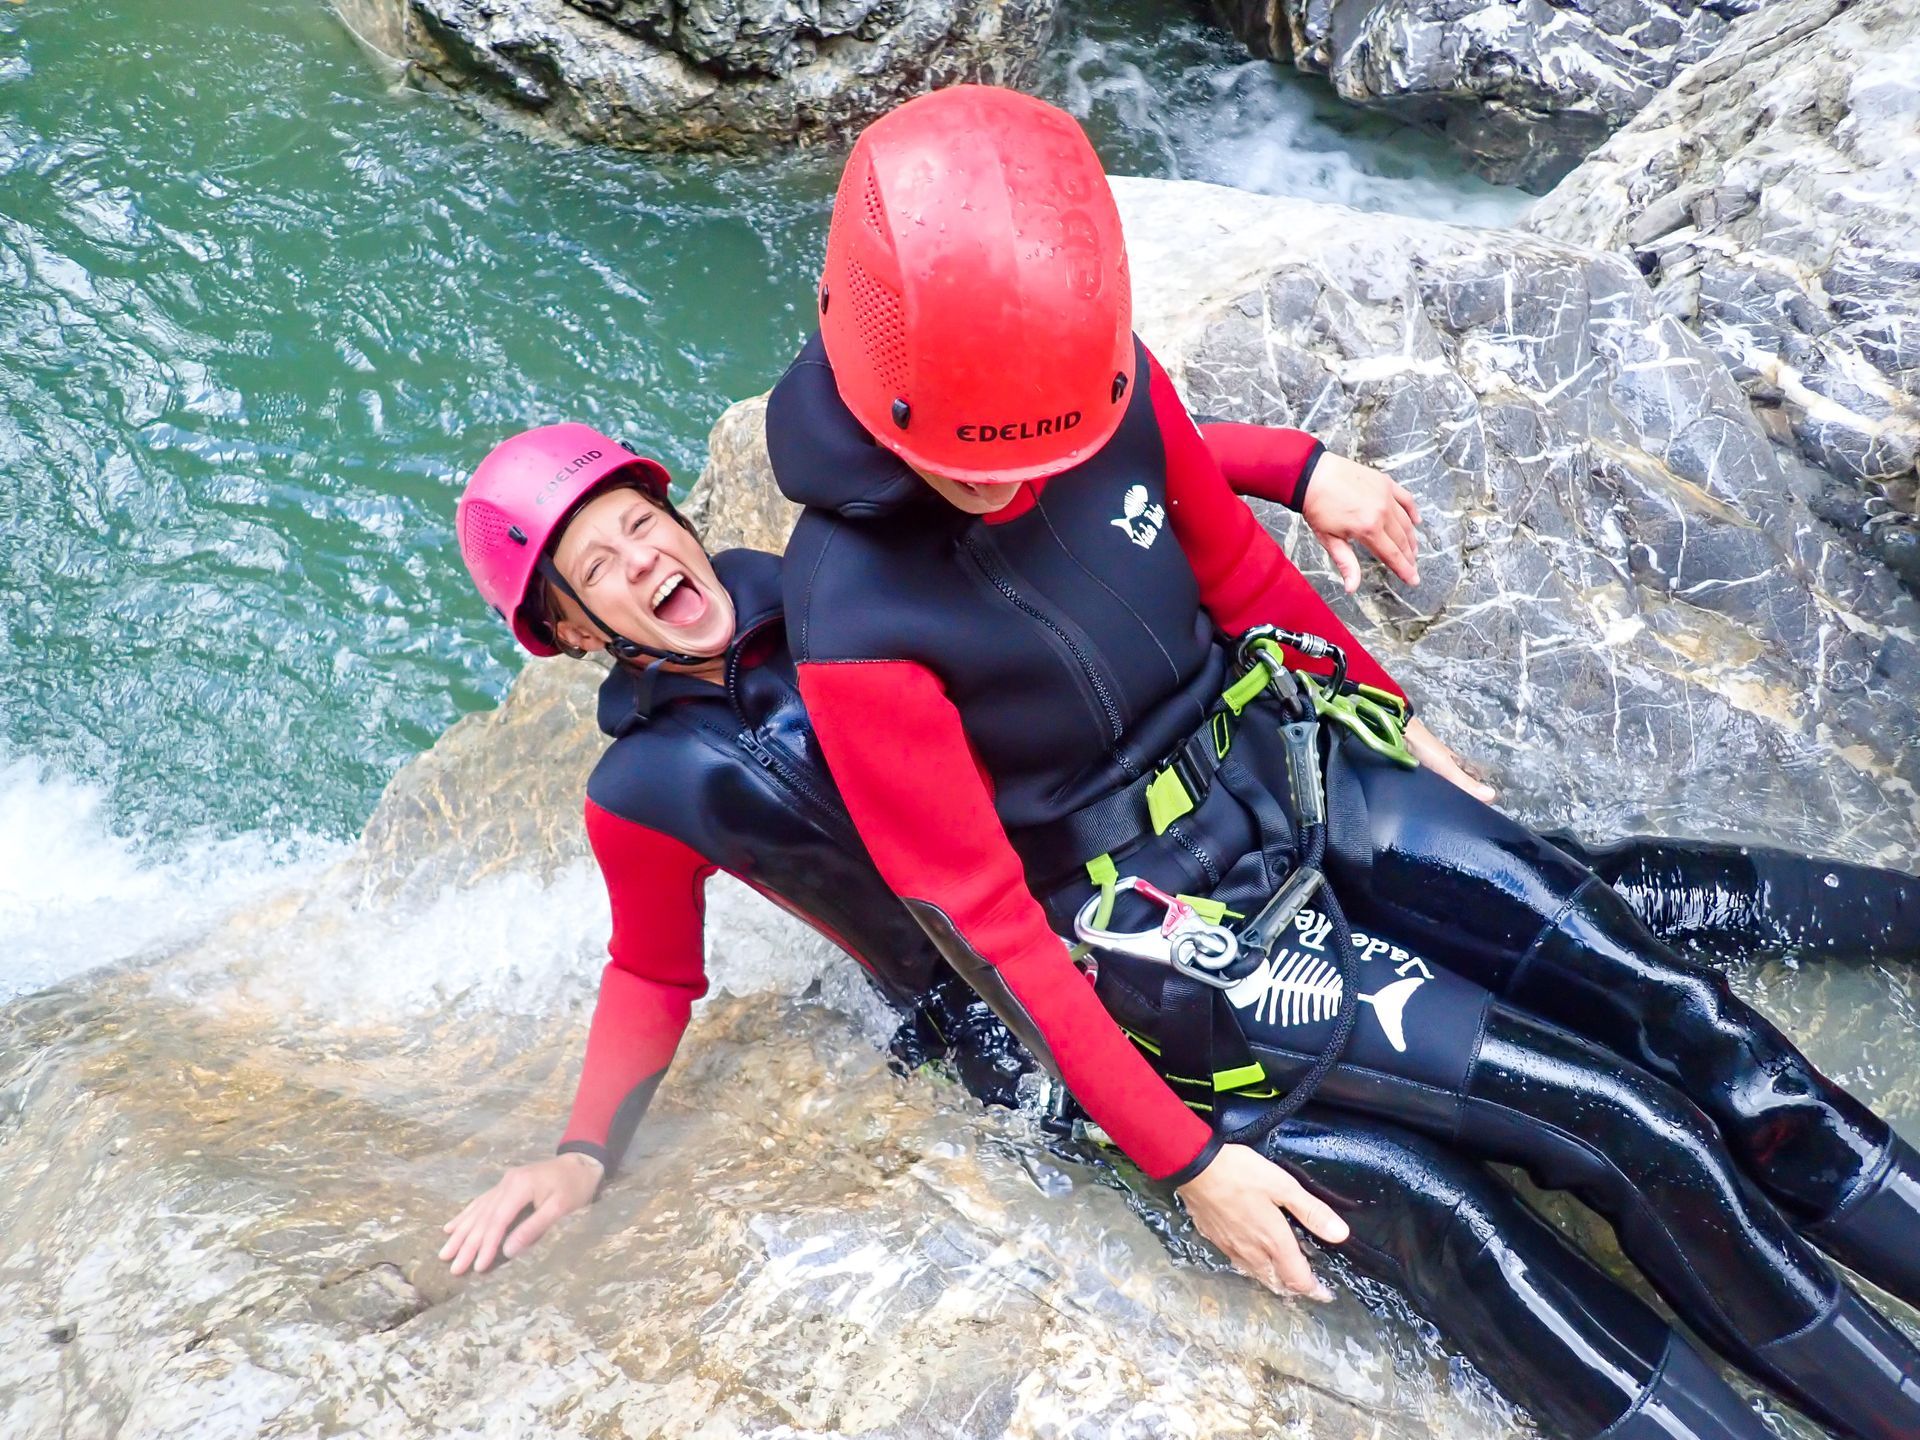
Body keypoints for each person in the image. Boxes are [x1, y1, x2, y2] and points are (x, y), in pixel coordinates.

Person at [767, 84, 1920, 1440]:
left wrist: (1385, 710)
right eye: (968, 473)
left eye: (1040, 459)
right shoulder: (851, 612)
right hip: (1160, 921)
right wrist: (1190, 1159)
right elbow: (989, 927)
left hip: (1292, 768)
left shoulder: (1103, 382)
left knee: (1688, 1015)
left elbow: (1237, 564)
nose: (1013, 492)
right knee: (1621, 1124)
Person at [439, 423, 1843, 1438]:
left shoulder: (839, 580)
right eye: (595, 566)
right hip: (1021, 1004)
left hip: (1158, 866)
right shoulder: (645, 790)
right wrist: (579, 1152)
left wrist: (1296, 471)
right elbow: (649, 968)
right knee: (1418, 1202)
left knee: (1576, 910)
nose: (640, 556)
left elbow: (1072, 459)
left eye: (636, 520)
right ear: (567, 633)